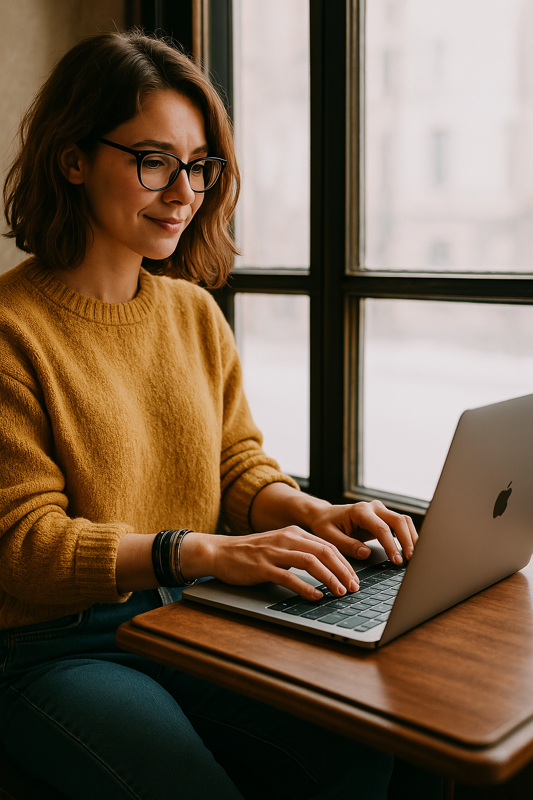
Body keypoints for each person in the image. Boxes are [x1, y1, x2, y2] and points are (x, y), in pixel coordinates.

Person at [0, 30, 440, 800]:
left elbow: (236, 464)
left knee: (364, 754)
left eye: (198, 165)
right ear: (73, 160)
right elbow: (25, 548)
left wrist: (307, 511)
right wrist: (199, 552)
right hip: (51, 647)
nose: (183, 192)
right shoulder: (12, 330)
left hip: (188, 619)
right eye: (152, 161)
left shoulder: (194, 314)